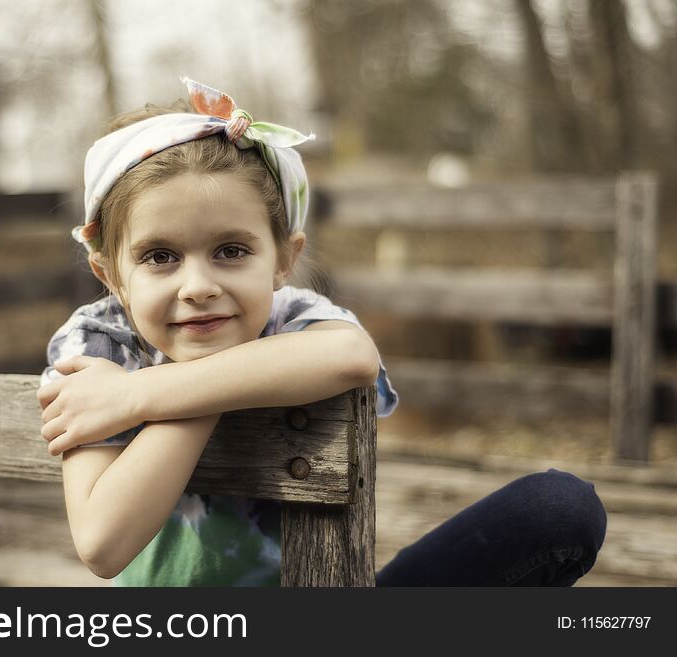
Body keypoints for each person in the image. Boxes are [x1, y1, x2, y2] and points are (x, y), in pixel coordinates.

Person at [36, 78, 606, 587]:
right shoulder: (97, 346)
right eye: (160, 256)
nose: (198, 286)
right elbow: (103, 545)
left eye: (231, 251)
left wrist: (150, 393)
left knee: (557, 509)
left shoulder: (292, 319)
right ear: (109, 276)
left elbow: (352, 355)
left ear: (284, 259)